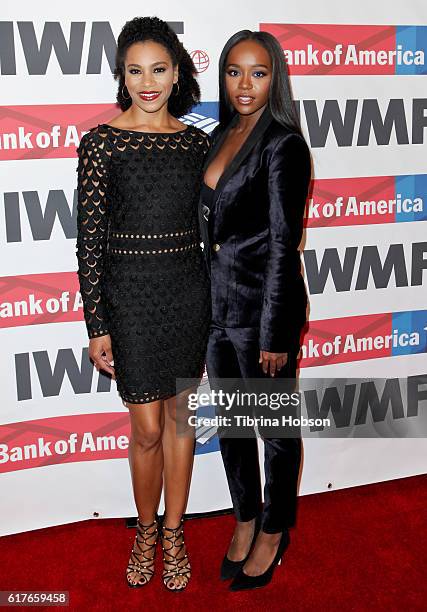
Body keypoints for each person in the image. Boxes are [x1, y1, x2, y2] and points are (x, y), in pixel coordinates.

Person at [75, 16, 210, 592]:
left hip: (187, 292)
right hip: (129, 298)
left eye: (158, 69)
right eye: (135, 70)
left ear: (176, 72)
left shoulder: (198, 144)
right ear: (122, 76)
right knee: (148, 428)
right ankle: (146, 530)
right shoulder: (102, 144)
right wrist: (97, 321)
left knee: (179, 421)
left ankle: (174, 532)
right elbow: (90, 240)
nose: (147, 82)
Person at [199, 30, 311, 591]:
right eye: (235, 72)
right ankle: (244, 515)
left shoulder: (283, 144)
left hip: (260, 314)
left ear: (276, 78)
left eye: (259, 73)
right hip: (215, 314)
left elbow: (283, 245)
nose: (245, 84)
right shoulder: (221, 133)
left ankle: (274, 528)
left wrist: (275, 332)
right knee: (235, 427)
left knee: (275, 431)